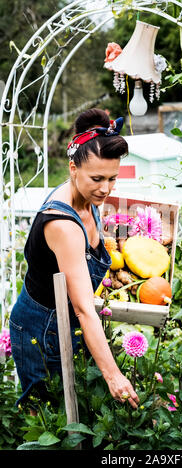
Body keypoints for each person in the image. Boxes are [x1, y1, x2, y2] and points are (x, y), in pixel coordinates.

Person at [9, 108, 139, 409]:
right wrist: (113, 375)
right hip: (42, 329)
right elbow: (82, 308)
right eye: (97, 178)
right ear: (72, 168)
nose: (105, 189)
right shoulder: (63, 226)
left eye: (112, 178)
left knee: (77, 410)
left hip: (67, 320)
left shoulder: (85, 195)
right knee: (44, 416)